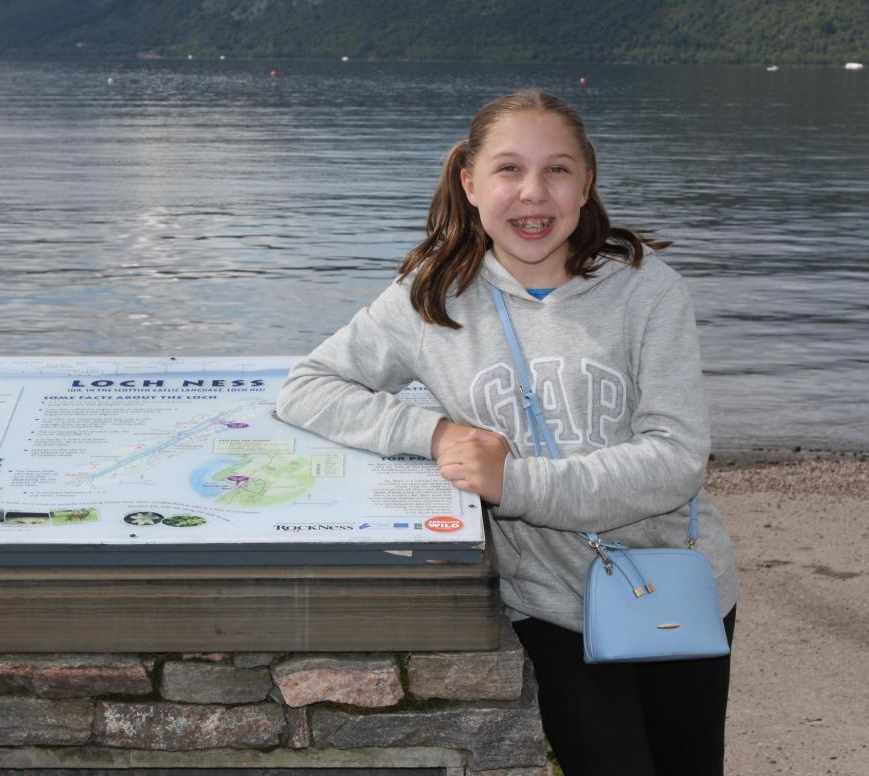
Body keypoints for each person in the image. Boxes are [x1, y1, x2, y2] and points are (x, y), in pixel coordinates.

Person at [274, 89, 739, 776]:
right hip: (555, 607)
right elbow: (307, 387)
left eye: (557, 170)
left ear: (586, 184)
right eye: (509, 169)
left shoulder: (647, 291)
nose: (533, 193)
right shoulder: (429, 297)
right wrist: (432, 432)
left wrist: (513, 482)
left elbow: (676, 461)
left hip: (679, 583)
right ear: (469, 182)